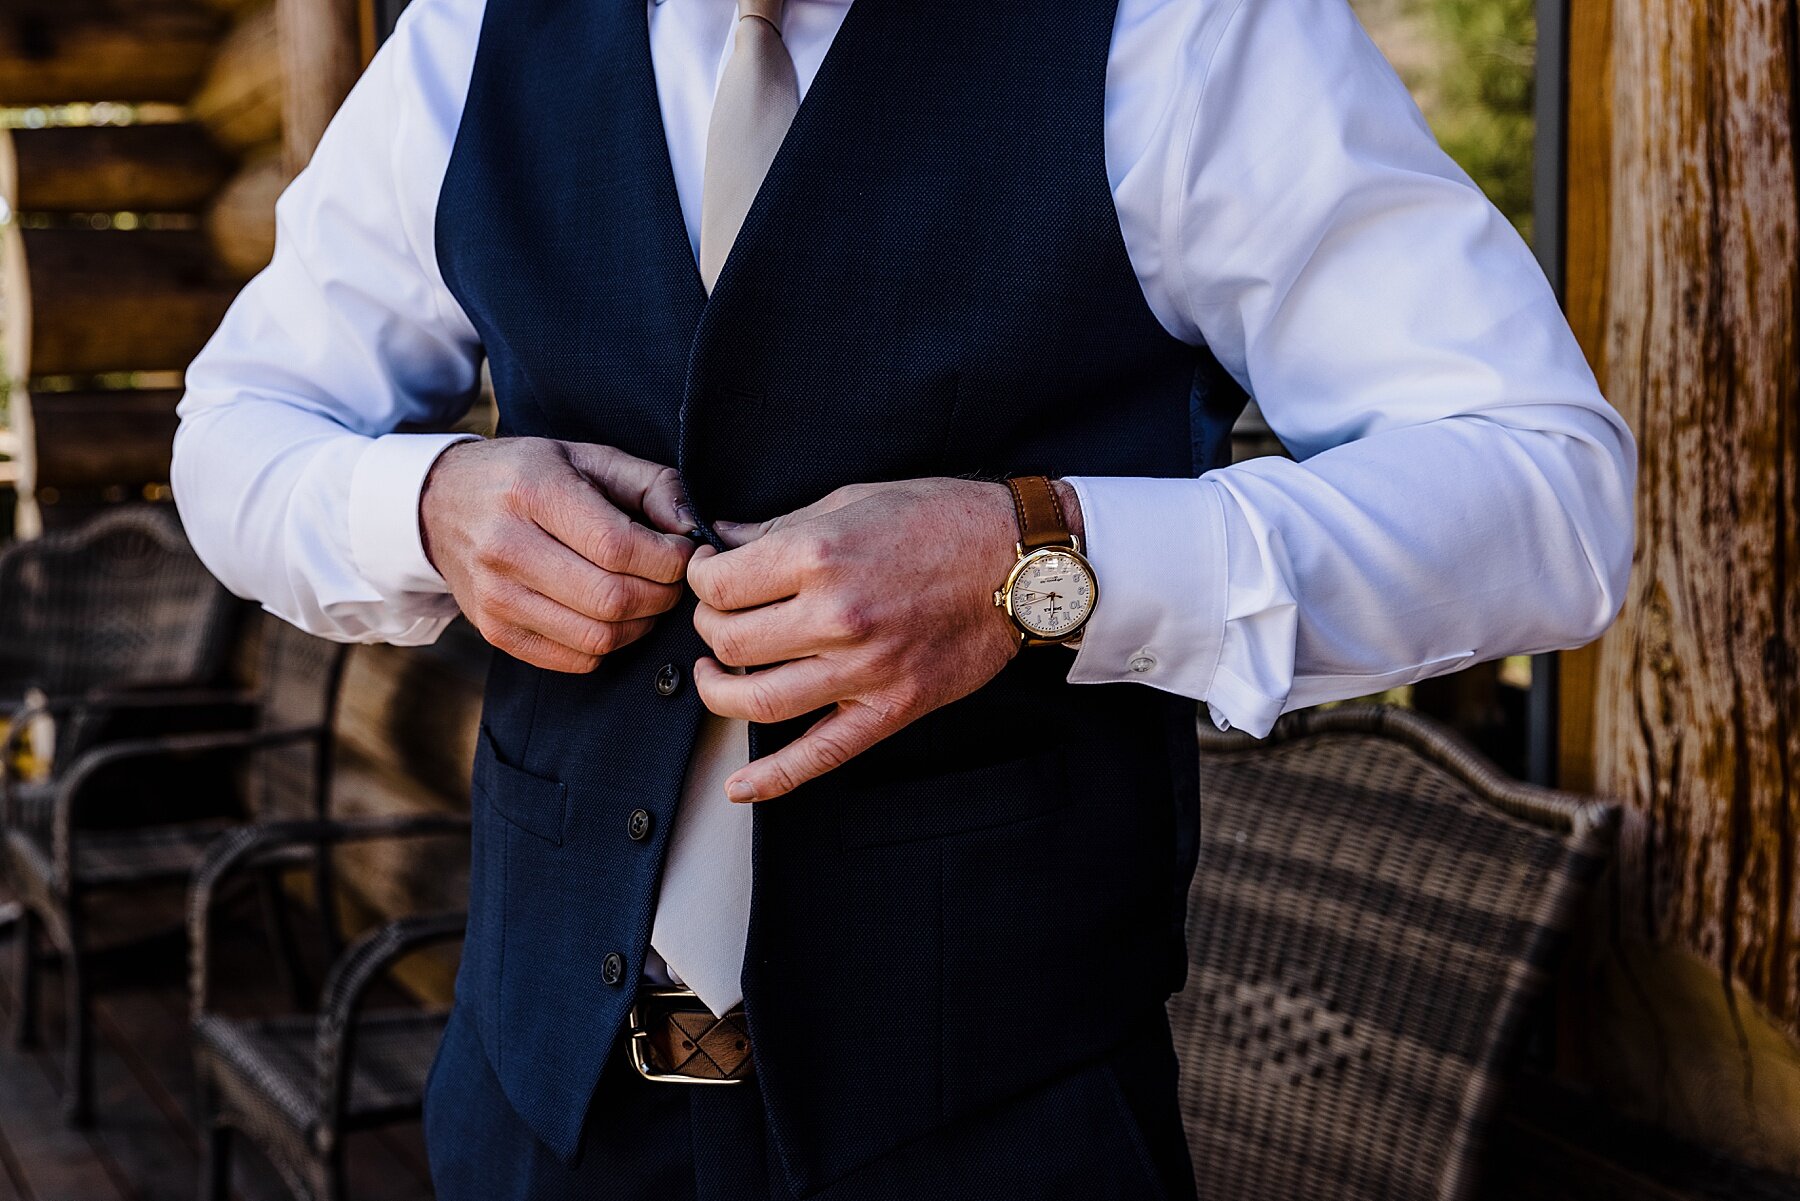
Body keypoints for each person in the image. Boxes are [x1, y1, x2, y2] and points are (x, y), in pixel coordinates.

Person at [171, 0, 1636, 1196]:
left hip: (992, 1128)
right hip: (534, 1109)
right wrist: (422, 508)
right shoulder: (471, 34)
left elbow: (1549, 497)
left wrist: (1041, 562)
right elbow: (237, 427)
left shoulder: (1178, 32)